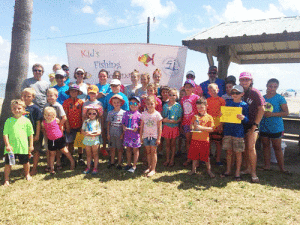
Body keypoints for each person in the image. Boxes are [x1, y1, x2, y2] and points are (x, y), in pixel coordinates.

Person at [259, 78, 290, 173]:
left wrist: (272, 114)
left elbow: (286, 113)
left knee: (277, 147)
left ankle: (282, 168)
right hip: (264, 126)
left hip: (276, 127)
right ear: (266, 86)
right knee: (265, 146)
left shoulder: (280, 98)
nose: (272, 88)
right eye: (270, 86)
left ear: (277, 87)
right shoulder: (262, 98)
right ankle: (267, 166)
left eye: (275, 87)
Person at [239, 72, 265, 183]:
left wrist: (255, 125)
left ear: (251, 81)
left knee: (250, 147)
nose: (244, 82)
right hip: (242, 124)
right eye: (242, 79)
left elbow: (262, 109)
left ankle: (254, 173)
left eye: (247, 79)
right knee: (244, 148)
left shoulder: (255, 92)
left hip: (253, 124)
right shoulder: (239, 91)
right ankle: (248, 169)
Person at [221, 85, 249, 181]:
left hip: (238, 133)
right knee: (228, 152)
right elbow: (223, 118)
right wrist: (222, 115)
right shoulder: (227, 103)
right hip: (228, 131)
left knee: (238, 153)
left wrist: (243, 118)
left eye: (237, 93)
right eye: (233, 93)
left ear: (242, 94)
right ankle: (228, 170)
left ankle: (237, 172)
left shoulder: (244, 105)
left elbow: (247, 120)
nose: (235, 95)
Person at [3, 99, 34, 186]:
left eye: (19, 108)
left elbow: (30, 134)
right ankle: (6, 179)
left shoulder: (27, 121)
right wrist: (7, 145)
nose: (17, 110)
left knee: (26, 162)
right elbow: (5, 134)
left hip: (23, 147)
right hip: (11, 148)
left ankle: (27, 174)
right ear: (11, 110)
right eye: (14, 108)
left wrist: (31, 145)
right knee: (8, 164)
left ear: (23, 109)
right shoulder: (8, 121)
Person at [42, 107, 75, 174]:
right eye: (46, 115)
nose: (47, 117)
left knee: (65, 151)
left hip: (59, 138)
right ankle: (52, 168)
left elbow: (61, 126)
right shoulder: (44, 123)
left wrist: (62, 133)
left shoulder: (56, 120)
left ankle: (72, 162)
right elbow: (45, 131)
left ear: (53, 115)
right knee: (52, 154)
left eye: (49, 115)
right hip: (51, 140)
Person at [187, 98, 215, 178]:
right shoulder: (195, 116)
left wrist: (201, 128)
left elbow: (211, 129)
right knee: (194, 156)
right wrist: (192, 127)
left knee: (206, 157)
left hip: (204, 141)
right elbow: (191, 125)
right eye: (198, 108)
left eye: (201, 107)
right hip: (195, 139)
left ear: (206, 106)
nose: (199, 110)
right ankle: (193, 170)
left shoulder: (209, 117)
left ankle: (209, 171)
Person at [44, 88, 67, 171]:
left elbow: (64, 117)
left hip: (56, 131)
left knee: (58, 149)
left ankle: (58, 162)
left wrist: (59, 124)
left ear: (56, 96)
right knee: (48, 148)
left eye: (51, 96)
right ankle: (49, 164)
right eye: (48, 96)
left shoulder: (58, 106)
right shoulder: (46, 105)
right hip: (48, 131)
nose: (50, 97)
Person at [21, 88, 43, 176]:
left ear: (33, 97)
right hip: (23, 134)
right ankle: (26, 169)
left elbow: (38, 122)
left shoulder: (35, 108)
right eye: (24, 96)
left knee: (36, 151)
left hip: (34, 133)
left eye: (28, 96)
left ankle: (34, 168)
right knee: (25, 151)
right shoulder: (21, 108)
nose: (26, 98)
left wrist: (37, 134)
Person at [140, 95, 163, 177]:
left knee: (153, 152)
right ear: (146, 104)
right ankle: (149, 167)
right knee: (148, 152)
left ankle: (153, 169)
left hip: (154, 136)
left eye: (151, 104)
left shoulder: (157, 115)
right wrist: (141, 137)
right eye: (148, 104)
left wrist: (159, 138)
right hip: (146, 136)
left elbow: (159, 128)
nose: (150, 106)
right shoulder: (143, 114)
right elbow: (142, 126)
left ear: (155, 104)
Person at [63, 84, 85, 165]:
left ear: (78, 92)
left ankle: (80, 157)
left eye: (75, 91)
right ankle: (70, 157)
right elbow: (65, 114)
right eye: (72, 91)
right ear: (69, 92)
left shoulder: (81, 102)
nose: (73, 92)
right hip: (70, 125)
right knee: (70, 142)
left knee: (80, 142)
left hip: (79, 125)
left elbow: (83, 115)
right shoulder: (66, 102)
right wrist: (67, 125)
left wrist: (82, 125)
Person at [180, 79, 200, 166]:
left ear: (193, 88)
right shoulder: (182, 99)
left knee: (195, 141)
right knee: (188, 141)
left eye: (189, 87)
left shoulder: (196, 97)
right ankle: (189, 159)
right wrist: (181, 123)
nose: (187, 88)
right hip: (186, 122)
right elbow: (182, 111)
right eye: (186, 87)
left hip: (195, 123)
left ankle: (196, 160)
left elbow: (200, 110)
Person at [161, 88, 182, 167]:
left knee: (173, 144)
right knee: (167, 144)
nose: (172, 97)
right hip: (167, 127)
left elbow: (180, 118)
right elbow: (162, 117)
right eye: (170, 95)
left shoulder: (178, 106)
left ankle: (172, 159)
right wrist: (165, 120)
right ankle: (167, 159)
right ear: (168, 96)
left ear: (176, 96)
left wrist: (175, 122)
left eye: (174, 95)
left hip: (174, 127)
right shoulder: (165, 106)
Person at [207, 83, 226, 166]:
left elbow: (224, 114)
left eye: (214, 90)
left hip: (218, 124)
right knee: (208, 142)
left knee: (218, 143)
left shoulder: (221, 100)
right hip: (209, 124)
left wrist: (221, 124)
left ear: (218, 90)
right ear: (208, 92)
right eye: (211, 91)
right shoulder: (207, 101)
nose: (213, 92)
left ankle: (218, 160)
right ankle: (207, 159)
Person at [122, 96, 142, 173]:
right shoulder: (126, 113)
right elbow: (123, 123)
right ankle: (128, 164)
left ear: (138, 105)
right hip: (127, 135)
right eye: (131, 103)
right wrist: (124, 127)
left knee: (135, 150)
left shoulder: (139, 115)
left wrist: (138, 127)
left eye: (135, 103)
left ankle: (134, 165)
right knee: (128, 149)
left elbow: (141, 125)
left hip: (135, 136)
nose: (133, 105)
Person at [107, 94, 126, 169]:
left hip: (119, 133)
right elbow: (108, 124)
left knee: (120, 148)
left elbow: (124, 125)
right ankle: (112, 162)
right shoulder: (110, 113)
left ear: (121, 103)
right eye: (114, 102)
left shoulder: (124, 113)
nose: (116, 104)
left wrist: (123, 134)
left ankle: (119, 163)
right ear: (112, 103)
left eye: (118, 102)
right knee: (112, 148)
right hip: (112, 132)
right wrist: (108, 134)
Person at [81, 106, 102, 175]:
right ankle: (88, 167)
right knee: (88, 154)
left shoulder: (97, 122)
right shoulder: (86, 122)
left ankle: (95, 167)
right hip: (87, 140)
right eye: (90, 113)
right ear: (87, 114)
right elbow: (82, 131)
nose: (92, 115)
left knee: (95, 154)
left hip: (95, 140)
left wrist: (91, 134)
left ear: (97, 114)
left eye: (94, 113)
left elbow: (99, 132)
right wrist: (85, 133)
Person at [96, 69, 112, 153]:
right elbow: (90, 97)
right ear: (98, 77)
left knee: (106, 130)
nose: (102, 78)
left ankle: (106, 148)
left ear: (107, 77)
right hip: (96, 112)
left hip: (107, 111)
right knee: (98, 130)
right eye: (101, 76)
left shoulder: (110, 86)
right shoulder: (95, 86)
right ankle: (98, 148)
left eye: (104, 76)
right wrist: (98, 96)